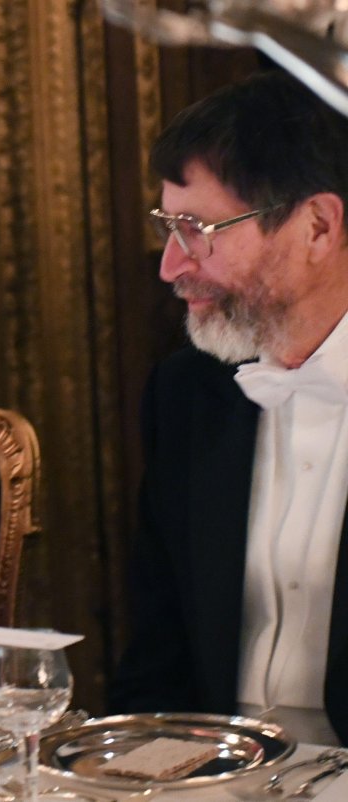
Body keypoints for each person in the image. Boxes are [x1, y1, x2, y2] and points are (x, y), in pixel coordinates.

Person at [110, 71, 348, 745]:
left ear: (318, 227)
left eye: (196, 230)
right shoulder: (188, 395)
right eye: (168, 228)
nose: (170, 264)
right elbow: (156, 660)